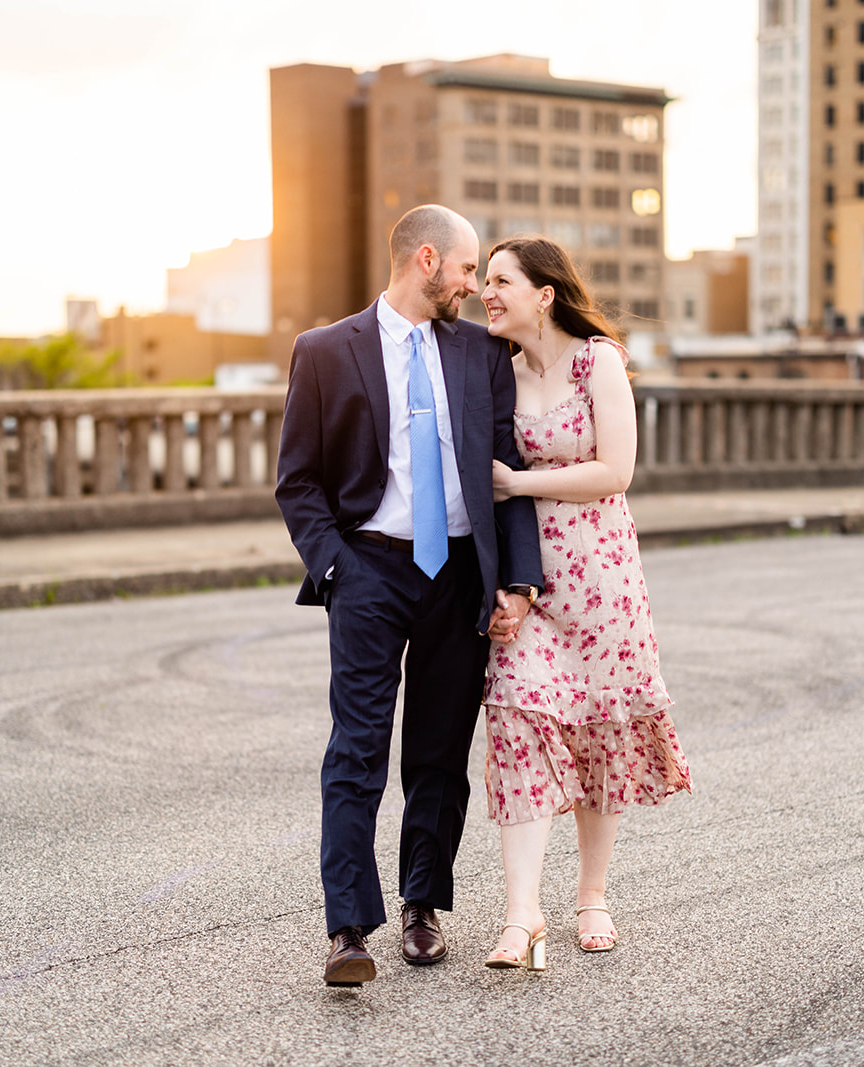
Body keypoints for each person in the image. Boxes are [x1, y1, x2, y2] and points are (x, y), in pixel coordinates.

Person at [275, 205, 545, 987]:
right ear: (426, 259)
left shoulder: (478, 352)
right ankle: (348, 928)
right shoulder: (325, 351)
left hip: (459, 571)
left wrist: (517, 579)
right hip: (368, 571)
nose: (473, 286)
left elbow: (506, 471)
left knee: (437, 753)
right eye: (466, 270)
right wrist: (335, 571)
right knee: (356, 749)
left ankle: (424, 906)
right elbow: (298, 479)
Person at [476, 235, 692, 971]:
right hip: (532, 581)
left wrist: (521, 483)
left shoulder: (597, 359)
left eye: (501, 279)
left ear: (545, 293)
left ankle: (592, 895)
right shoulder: (497, 373)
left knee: (601, 732)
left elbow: (616, 469)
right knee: (515, 717)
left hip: (601, 576)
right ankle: (521, 915)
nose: (486, 290)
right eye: (484, 279)